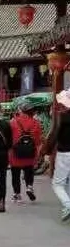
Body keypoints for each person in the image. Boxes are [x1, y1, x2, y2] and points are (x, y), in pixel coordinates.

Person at [9, 100, 43, 203]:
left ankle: (17, 195)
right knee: (29, 171)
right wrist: (38, 153)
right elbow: (38, 140)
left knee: (15, 174)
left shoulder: (13, 122)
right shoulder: (36, 122)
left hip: (15, 152)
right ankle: (29, 186)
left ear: (21, 110)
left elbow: (9, 138)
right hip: (30, 152)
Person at [46, 89, 70, 222]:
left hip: (65, 153)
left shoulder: (63, 116)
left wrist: (47, 149)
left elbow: (55, 133)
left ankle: (67, 205)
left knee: (58, 184)